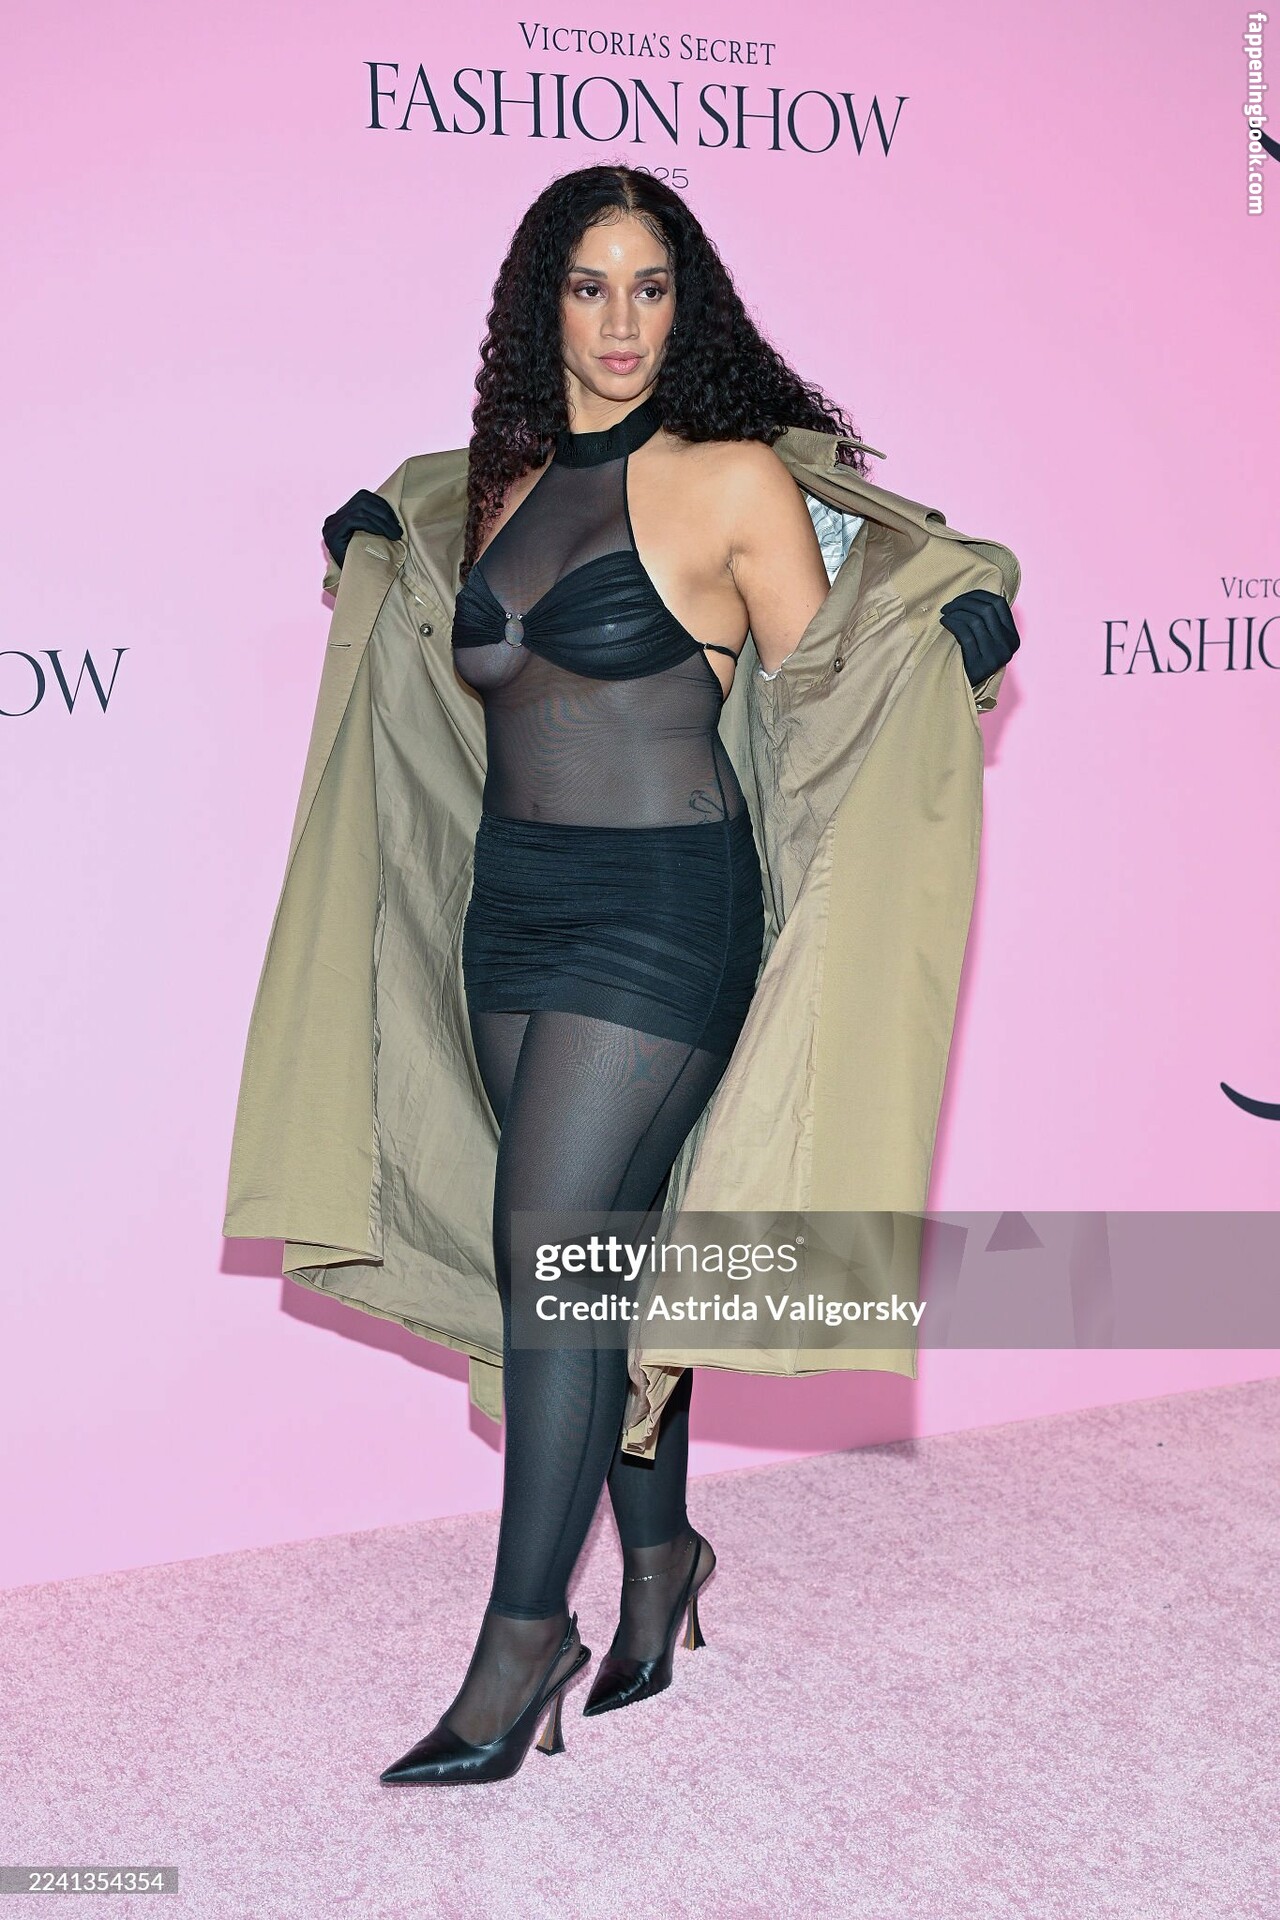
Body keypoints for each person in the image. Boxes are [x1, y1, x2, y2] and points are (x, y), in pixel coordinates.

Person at [317, 165, 1019, 1788]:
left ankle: (519, 1652)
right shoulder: (492, 488)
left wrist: (952, 643)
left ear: (684, 305)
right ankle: (662, 1562)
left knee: (552, 1265)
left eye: (651, 285)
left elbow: (830, 694)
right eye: (590, 285)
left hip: (664, 911)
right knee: (609, 1257)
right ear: (541, 305)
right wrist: (377, 550)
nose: (622, 320)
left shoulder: (732, 484)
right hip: (513, 909)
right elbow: (434, 582)